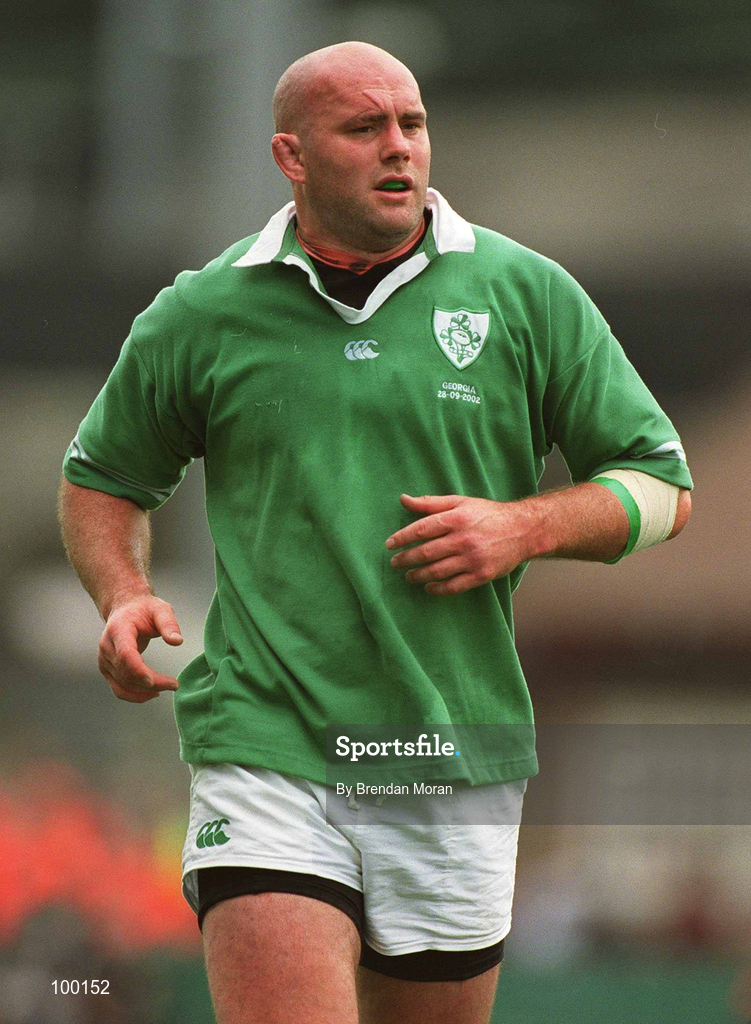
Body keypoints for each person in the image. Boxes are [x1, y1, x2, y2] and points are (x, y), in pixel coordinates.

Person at [58, 41, 693, 1024]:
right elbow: (102, 478)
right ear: (292, 156)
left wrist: (522, 527)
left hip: (453, 751)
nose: (399, 148)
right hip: (266, 745)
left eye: (412, 123)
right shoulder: (201, 312)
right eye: (364, 128)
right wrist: (121, 593)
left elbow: (661, 487)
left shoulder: (527, 295)